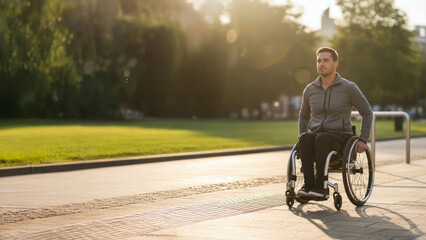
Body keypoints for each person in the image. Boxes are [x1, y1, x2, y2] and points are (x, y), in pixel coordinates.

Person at [297, 47, 373, 198]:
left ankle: (321, 188)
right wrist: (302, 136)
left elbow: (367, 112)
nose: (321, 64)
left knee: (321, 138)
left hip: (341, 136)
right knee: (305, 138)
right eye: (319, 61)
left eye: (326, 60)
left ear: (335, 63)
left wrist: (363, 139)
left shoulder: (349, 88)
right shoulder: (310, 89)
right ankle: (308, 185)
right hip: (318, 135)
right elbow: (304, 115)